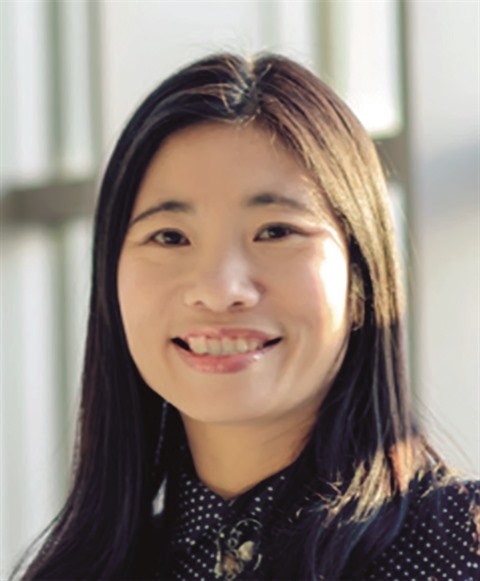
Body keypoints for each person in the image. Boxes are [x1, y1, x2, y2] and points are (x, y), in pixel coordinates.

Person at [12, 53, 479, 581]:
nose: (220, 290)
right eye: (170, 237)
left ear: (360, 278)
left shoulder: (461, 549)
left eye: (276, 231)